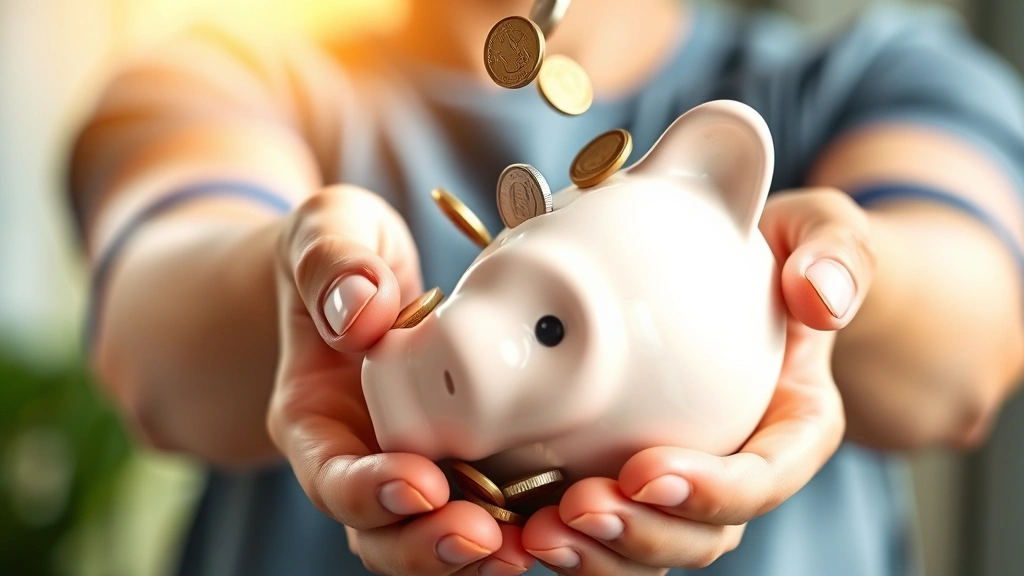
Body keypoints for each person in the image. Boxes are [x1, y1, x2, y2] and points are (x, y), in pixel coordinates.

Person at [67, 0, 1024, 574]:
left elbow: (966, 349)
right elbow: (155, 342)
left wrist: (822, 281)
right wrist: (305, 279)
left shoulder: (872, 74)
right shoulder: (229, 68)